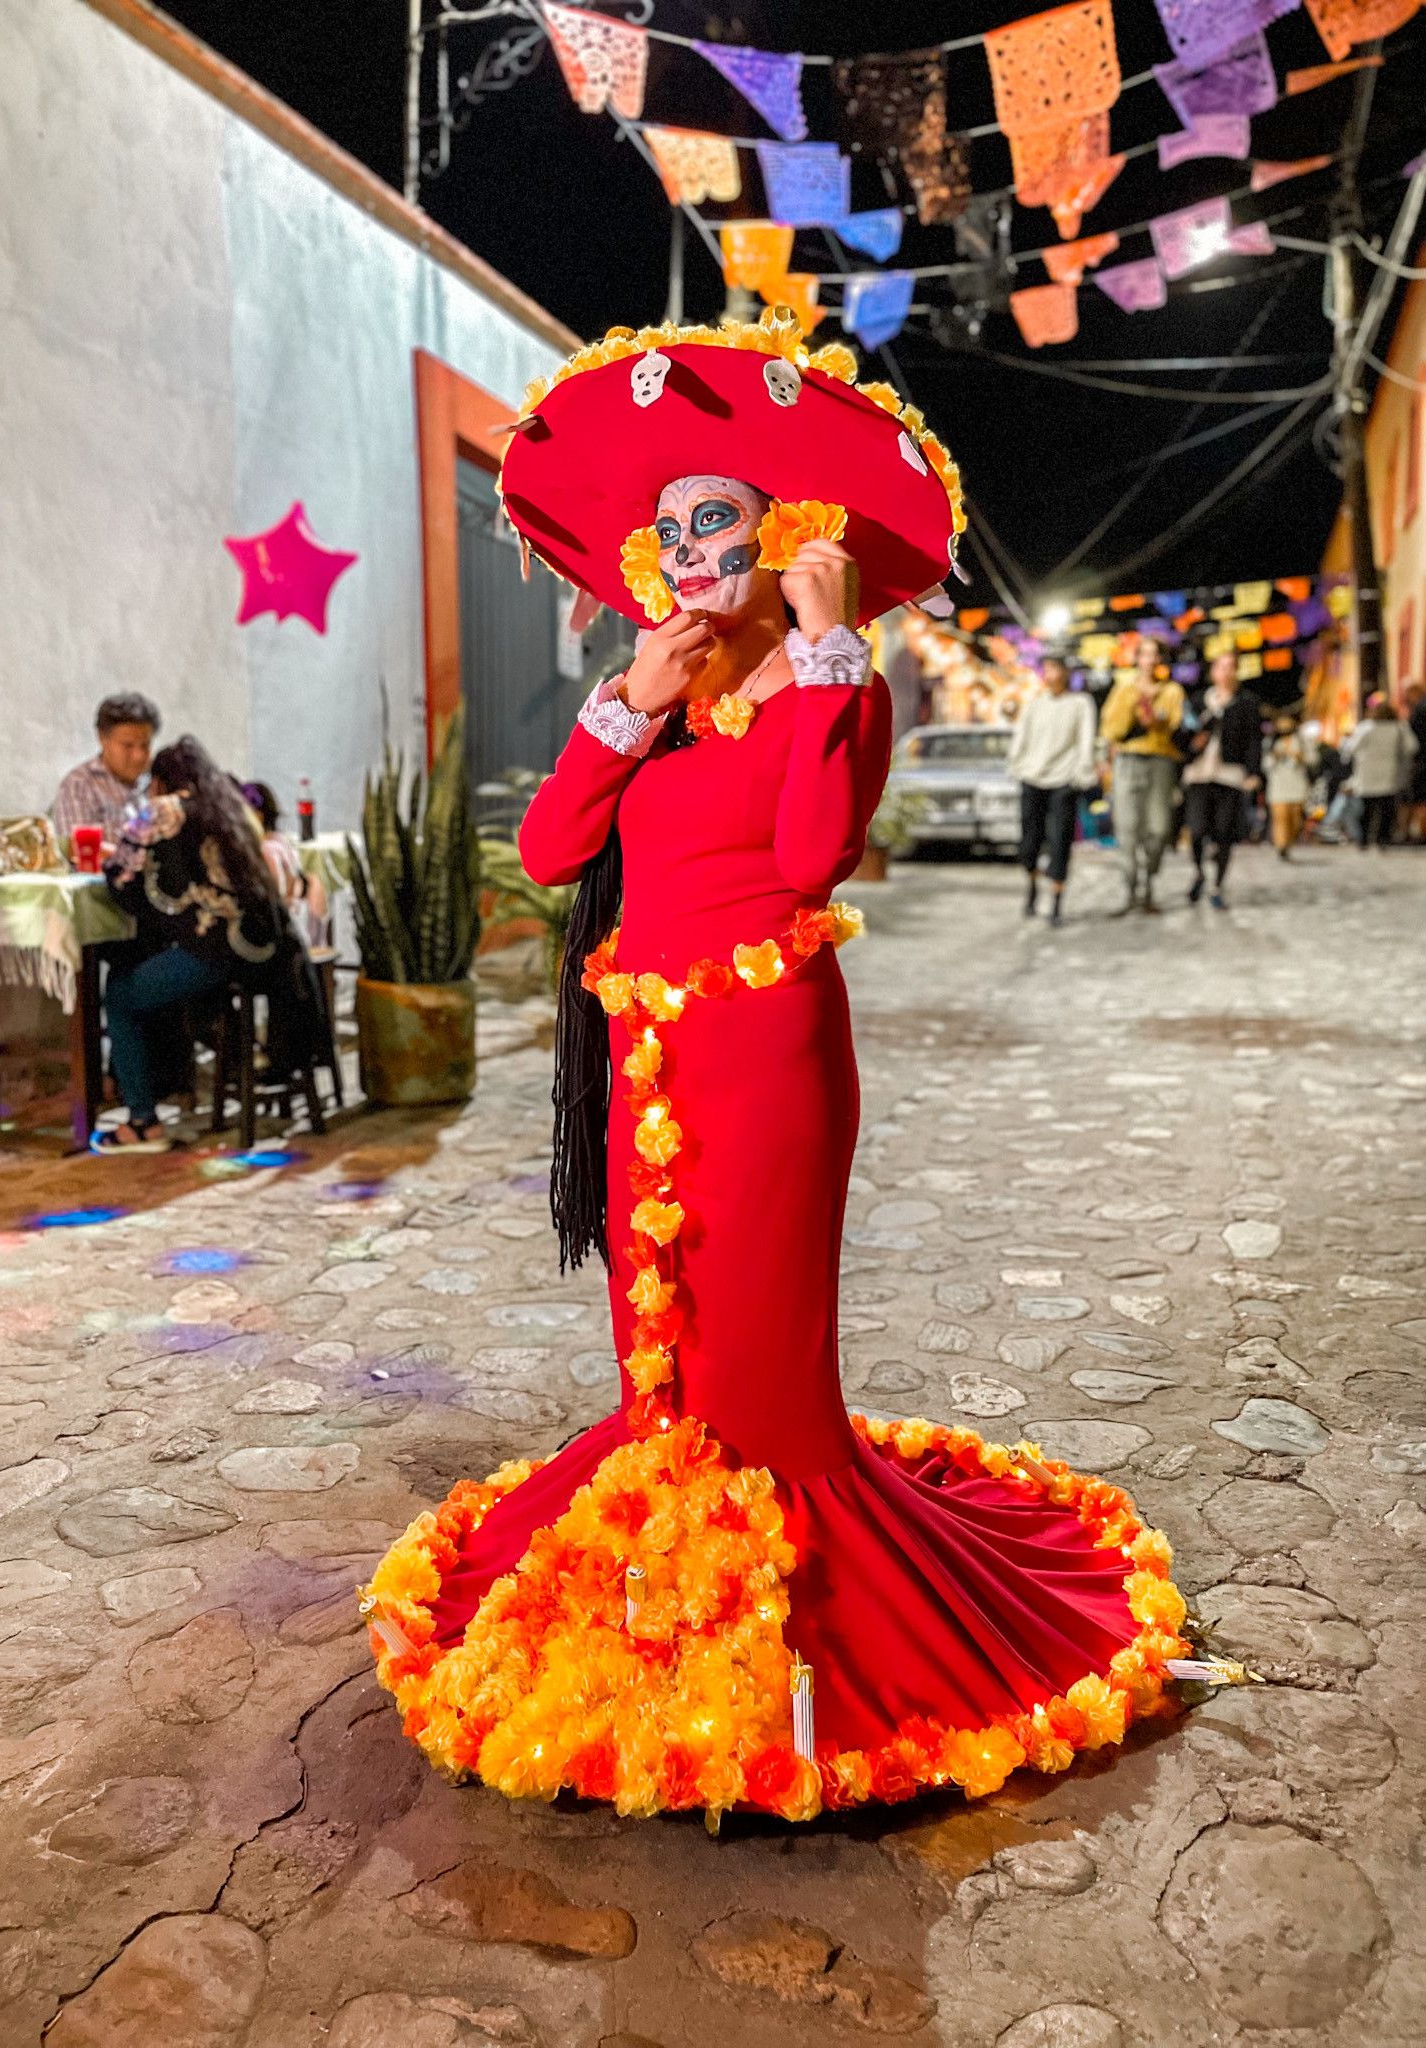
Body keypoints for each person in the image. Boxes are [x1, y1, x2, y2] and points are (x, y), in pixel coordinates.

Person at [359, 315, 1187, 1828]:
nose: (683, 548)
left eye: (714, 521)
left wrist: (822, 650)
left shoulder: (834, 692)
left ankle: (783, 1637)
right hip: (644, 1047)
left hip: (771, 1053)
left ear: (784, 537)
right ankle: (655, 1583)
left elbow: (812, 854)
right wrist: (630, 702)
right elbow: (553, 853)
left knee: (757, 1361)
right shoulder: (653, 705)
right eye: (667, 528)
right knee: (653, 1339)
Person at [92, 736, 319, 1152]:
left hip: (220, 953)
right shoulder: (231, 810)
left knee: (121, 993)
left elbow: (120, 875)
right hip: (269, 954)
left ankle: (142, 1122)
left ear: (160, 781)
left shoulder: (161, 810)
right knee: (158, 975)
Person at [1006, 655, 1097, 924]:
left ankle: (1056, 901)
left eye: (1055, 669)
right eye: (1046, 669)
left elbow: (1085, 740)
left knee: (1060, 841)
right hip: (1032, 778)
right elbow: (1021, 737)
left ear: (1066, 672)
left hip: (1064, 780)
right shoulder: (1035, 704)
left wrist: (1082, 773)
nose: (1050, 674)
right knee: (1029, 841)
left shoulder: (1080, 703)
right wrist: (1017, 765)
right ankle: (1032, 887)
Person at [1099, 638, 1185, 915]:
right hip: (1128, 761)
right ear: (1137, 659)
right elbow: (1110, 729)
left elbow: (1176, 724)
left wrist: (1156, 720)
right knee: (1127, 829)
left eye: (1154, 654)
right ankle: (1130, 888)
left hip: (1160, 762)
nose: (1149, 659)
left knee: (1159, 828)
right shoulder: (1124, 690)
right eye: (1144, 654)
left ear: (1161, 659)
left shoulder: (1172, 691)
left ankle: (1149, 883)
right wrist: (1135, 707)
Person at [1182, 653, 1263, 909]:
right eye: (1222, 667)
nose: (1227, 673)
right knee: (1196, 830)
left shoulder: (1246, 703)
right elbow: (1183, 734)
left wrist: (1253, 772)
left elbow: (1253, 741)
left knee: (1223, 832)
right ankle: (1198, 872)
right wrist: (1192, 745)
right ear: (1213, 671)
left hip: (1229, 776)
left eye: (1232, 668)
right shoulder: (1198, 702)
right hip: (1198, 774)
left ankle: (1216, 886)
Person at [53, 692, 161, 852]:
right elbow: (80, 852)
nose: (139, 756)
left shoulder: (159, 778)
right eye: (128, 746)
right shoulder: (80, 785)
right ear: (102, 739)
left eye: (145, 745)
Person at [243, 779, 328, 945]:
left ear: (258, 816)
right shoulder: (280, 840)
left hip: (286, 933)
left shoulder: (268, 851)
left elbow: (275, 899)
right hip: (299, 923)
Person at [1343, 693, 1418, 851]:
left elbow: (1351, 747)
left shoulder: (1366, 727)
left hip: (1367, 773)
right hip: (1390, 772)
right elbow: (1412, 747)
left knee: (1366, 809)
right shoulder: (1399, 727)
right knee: (1386, 810)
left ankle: (1363, 840)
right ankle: (1382, 839)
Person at [1264, 716, 1313, 859]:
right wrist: (1275, 756)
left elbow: (1313, 759)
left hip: (1297, 786)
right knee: (1280, 818)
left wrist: (1300, 756)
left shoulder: (1302, 742)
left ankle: (1288, 843)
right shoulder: (1271, 743)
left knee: (1295, 819)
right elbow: (1265, 765)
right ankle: (1281, 845)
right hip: (1278, 786)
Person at [1401, 681, 1426, 842]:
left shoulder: (1419, 709)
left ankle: (1416, 833)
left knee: (1417, 798)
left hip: (1421, 760)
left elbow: (1412, 741)